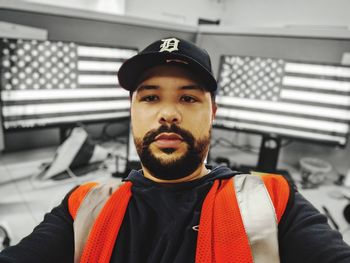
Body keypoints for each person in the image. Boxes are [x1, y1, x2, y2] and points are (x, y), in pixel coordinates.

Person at [1, 37, 350, 263]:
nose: (168, 113)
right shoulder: (83, 205)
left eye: (188, 97)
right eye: (150, 97)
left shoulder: (274, 199)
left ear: (212, 114)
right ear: (132, 112)